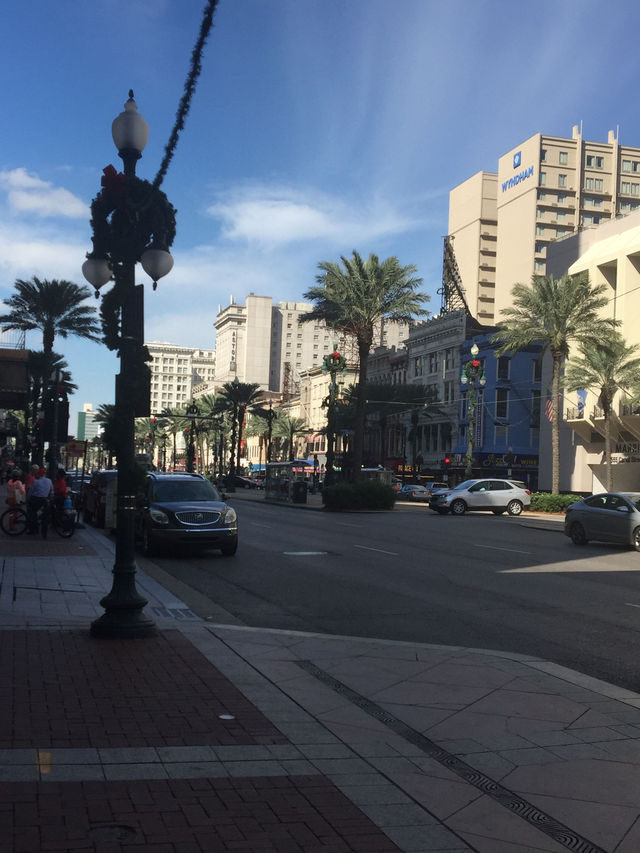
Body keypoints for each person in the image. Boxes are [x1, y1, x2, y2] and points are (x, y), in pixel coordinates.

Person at [27, 468, 53, 536]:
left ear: (39, 474)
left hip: (35, 499)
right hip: (44, 500)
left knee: (32, 513)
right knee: (45, 516)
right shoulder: (49, 481)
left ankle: (33, 529)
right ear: (45, 474)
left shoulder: (36, 482)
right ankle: (44, 533)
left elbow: (30, 492)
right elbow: (51, 491)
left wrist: (28, 498)